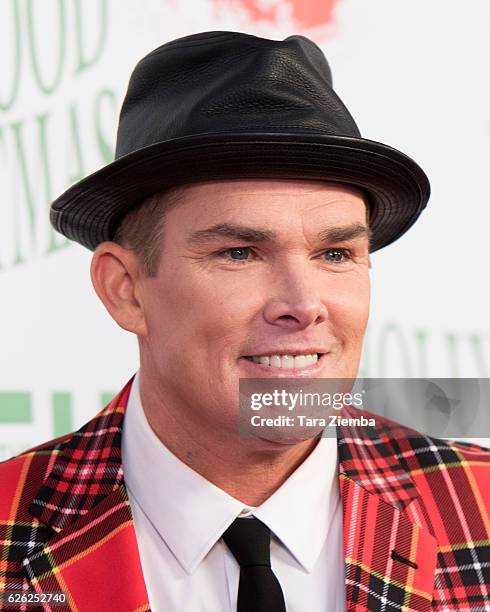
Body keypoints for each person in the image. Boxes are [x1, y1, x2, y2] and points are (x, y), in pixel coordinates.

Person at [0, 31, 489, 612]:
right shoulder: (11, 525)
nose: (304, 304)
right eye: (240, 252)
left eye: (335, 254)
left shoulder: (477, 504)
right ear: (125, 290)